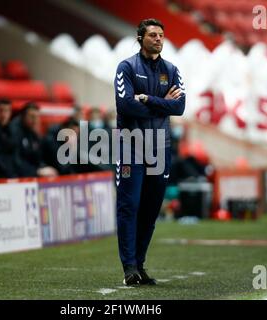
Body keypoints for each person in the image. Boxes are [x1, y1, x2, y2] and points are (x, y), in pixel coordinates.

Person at [114, 18, 186, 285]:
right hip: (130, 145)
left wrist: (149, 100)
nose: (158, 39)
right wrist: (162, 104)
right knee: (129, 206)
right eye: (153, 35)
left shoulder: (172, 70)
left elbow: (179, 107)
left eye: (161, 35)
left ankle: (140, 265)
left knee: (150, 210)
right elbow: (126, 106)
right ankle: (129, 267)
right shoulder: (126, 68)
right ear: (140, 38)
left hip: (159, 148)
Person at [10, 102, 58, 178]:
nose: (35, 120)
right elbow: (15, 160)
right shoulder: (14, 132)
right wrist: (36, 171)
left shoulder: (32, 132)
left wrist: (44, 168)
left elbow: (37, 157)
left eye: (37, 116)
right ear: (23, 116)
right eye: (32, 116)